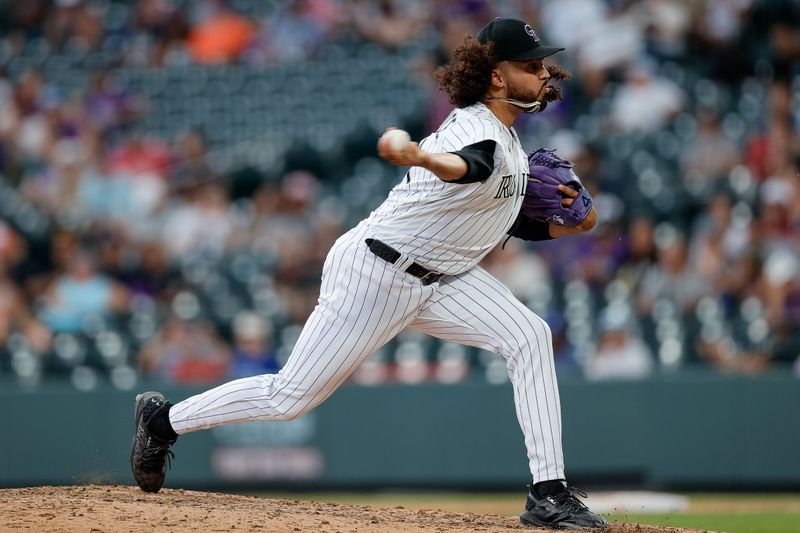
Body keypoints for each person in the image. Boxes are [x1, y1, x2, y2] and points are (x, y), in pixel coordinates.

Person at [130, 17, 607, 529]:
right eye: (529, 65)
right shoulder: (477, 128)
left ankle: (548, 493)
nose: (542, 74)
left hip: (444, 277)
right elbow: (469, 165)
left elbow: (514, 221)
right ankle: (162, 422)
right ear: (495, 77)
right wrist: (422, 155)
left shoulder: (510, 141)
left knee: (530, 335)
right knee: (290, 398)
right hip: (377, 272)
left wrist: (573, 227)